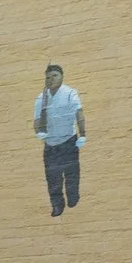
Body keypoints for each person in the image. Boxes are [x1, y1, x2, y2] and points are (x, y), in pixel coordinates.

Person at [33, 63, 84, 217]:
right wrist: (39, 133)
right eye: (48, 77)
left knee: (71, 173)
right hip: (50, 145)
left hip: (68, 140)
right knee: (53, 178)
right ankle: (57, 205)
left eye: (55, 76)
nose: (51, 79)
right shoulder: (41, 98)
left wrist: (82, 134)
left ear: (62, 76)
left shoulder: (70, 93)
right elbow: (37, 120)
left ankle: (73, 198)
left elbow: (79, 113)